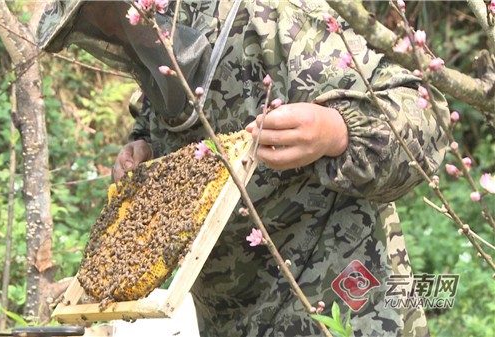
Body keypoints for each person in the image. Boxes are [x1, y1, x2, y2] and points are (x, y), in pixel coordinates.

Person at [37, 1, 449, 336]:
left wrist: (336, 130)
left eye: (114, 16)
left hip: (344, 303)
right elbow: (165, 120)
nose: (115, 33)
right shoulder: (162, 65)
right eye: (103, 28)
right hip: (226, 317)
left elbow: (425, 113)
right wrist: (141, 149)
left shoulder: (280, 21)